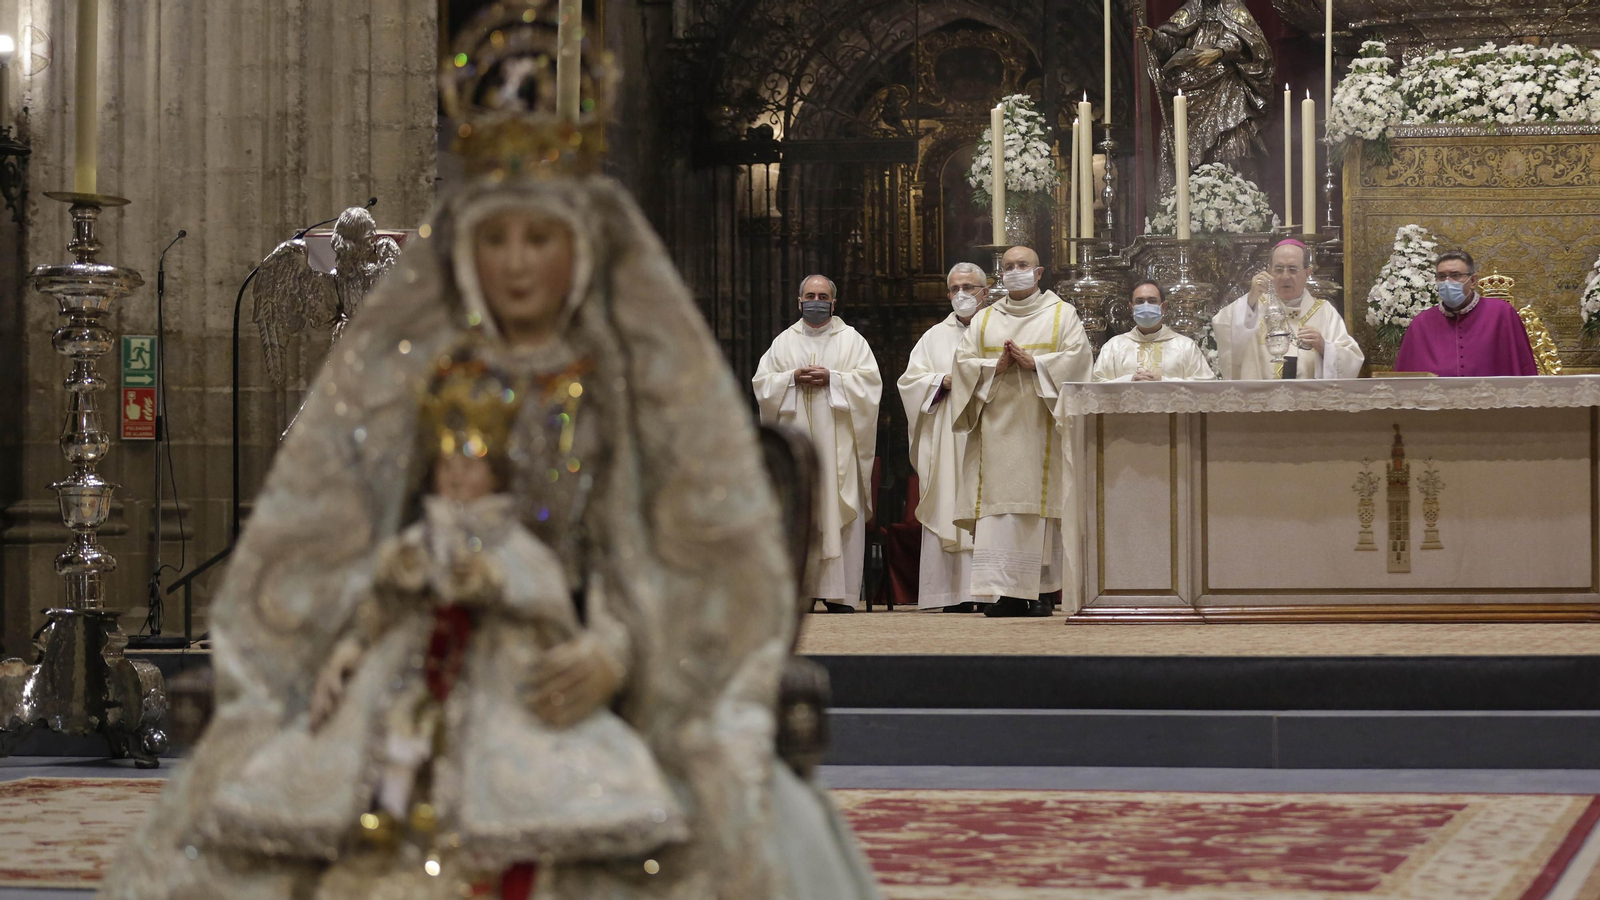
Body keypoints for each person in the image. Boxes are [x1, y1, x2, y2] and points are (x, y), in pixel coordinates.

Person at [104, 176, 881, 900]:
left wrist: (617, 647)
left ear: (577, 248)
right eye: (495, 239)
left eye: (537, 239)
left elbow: (663, 547)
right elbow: (357, 534)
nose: (515, 263)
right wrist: (348, 638)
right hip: (414, 652)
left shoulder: (626, 384)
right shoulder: (426, 374)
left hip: (567, 657)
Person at [950, 246, 1092, 617]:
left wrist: (1037, 363)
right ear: (1000, 274)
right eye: (1009, 266)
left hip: (1041, 430)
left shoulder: (1061, 314)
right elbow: (962, 363)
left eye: (1023, 265)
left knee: (1038, 509)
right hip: (995, 433)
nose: (1015, 270)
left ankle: (1041, 592)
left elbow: (1079, 360)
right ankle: (1005, 593)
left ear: (1038, 272)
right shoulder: (985, 319)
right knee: (1000, 514)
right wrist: (993, 368)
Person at [753, 276, 883, 613]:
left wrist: (833, 379)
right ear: (799, 302)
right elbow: (762, 384)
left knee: (839, 508)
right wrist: (791, 378)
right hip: (799, 445)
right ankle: (804, 590)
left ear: (834, 303)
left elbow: (871, 386)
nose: (816, 301)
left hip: (839, 444)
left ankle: (840, 594)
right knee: (802, 510)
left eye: (823, 296)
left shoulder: (852, 341)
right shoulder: (783, 342)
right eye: (810, 295)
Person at [898, 262, 989, 612]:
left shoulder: (997, 328)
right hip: (947, 435)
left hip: (988, 429)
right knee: (948, 501)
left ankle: (990, 592)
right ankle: (949, 594)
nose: (961, 294)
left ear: (985, 292)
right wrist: (940, 381)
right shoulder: (933, 337)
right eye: (955, 288)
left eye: (969, 287)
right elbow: (910, 382)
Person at [1213, 238, 1364, 380]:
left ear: (1308, 273)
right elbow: (1224, 327)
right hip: (1263, 396)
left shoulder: (1325, 311)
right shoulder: (1252, 306)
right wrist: (1250, 298)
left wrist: (1324, 347)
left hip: (1309, 397)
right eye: (1278, 269)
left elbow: (1352, 359)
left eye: (1292, 269)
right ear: (1269, 271)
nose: (1285, 276)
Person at [1394, 249, 1537, 377]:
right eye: (1442, 276)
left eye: (1455, 275)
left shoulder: (1502, 313)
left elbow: (1525, 370)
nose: (1447, 282)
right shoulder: (1421, 323)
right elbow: (1404, 381)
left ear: (1473, 280)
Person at [1093, 280, 1217, 382]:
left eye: (1152, 301)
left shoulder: (1185, 346)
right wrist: (1129, 380)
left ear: (1163, 307)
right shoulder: (1113, 347)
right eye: (1140, 301)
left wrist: (1163, 381)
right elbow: (1096, 384)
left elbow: (1206, 384)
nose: (1146, 306)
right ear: (1132, 308)